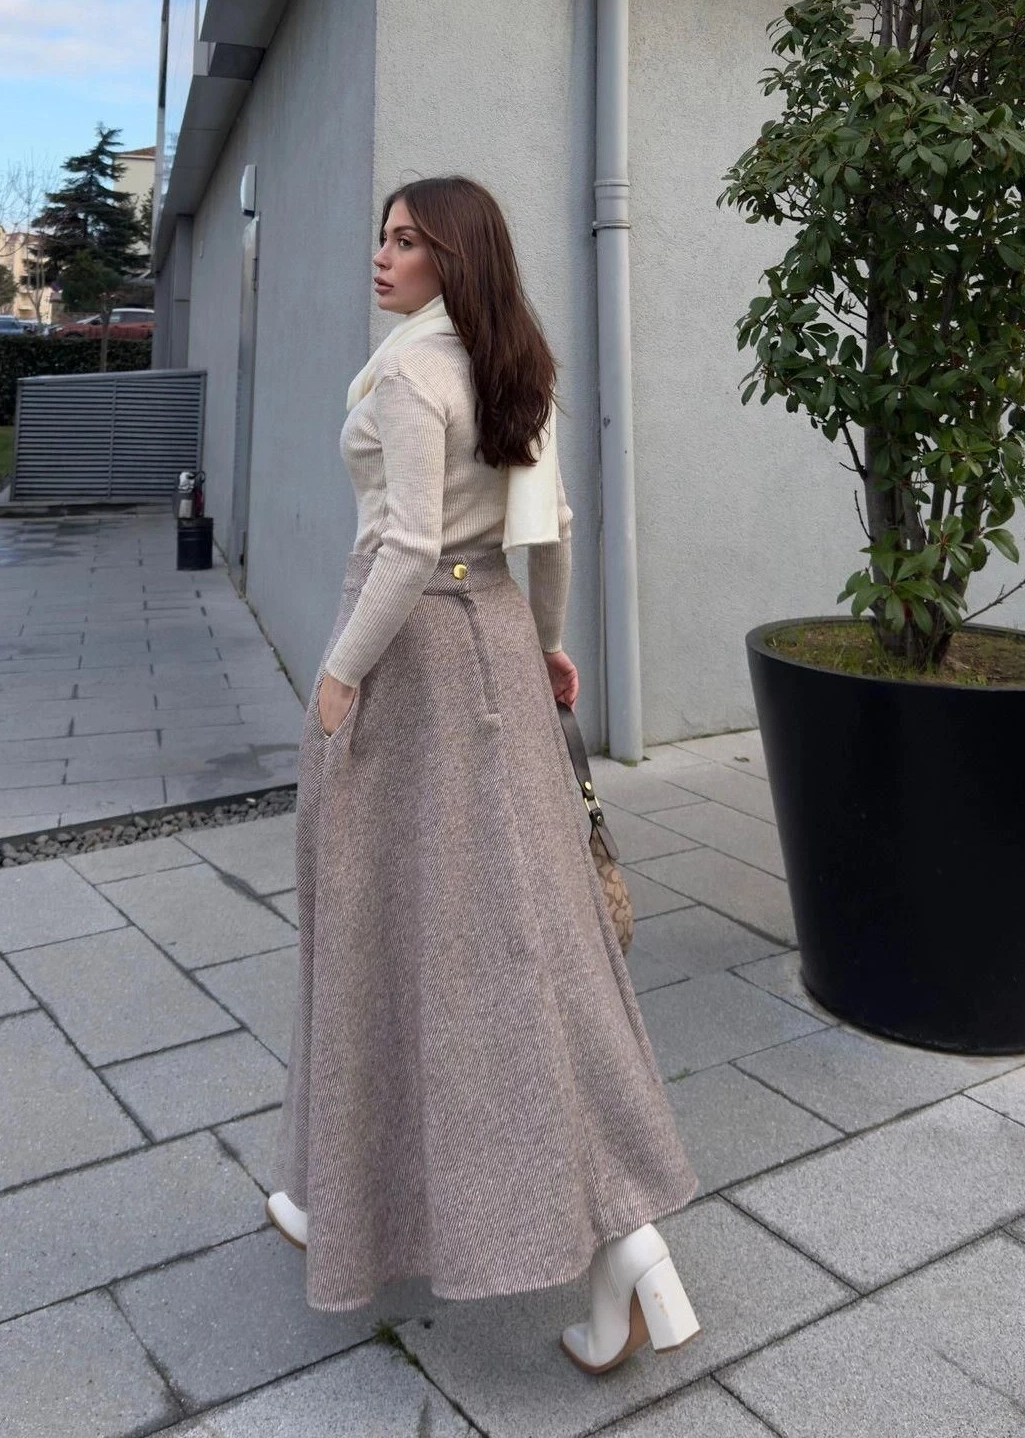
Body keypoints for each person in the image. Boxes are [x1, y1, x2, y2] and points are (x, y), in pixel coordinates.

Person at [267, 176, 702, 1374]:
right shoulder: (516, 365)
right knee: (521, 933)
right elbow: (547, 532)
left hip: (408, 660)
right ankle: (335, 1186)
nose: (384, 255)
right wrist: (548, 645)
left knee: (388, 930)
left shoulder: (413, 374)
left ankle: (373, 1194)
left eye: (409, 241)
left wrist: (341, 674)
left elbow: (408, 544)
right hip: (499, 638)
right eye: (384, 235)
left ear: (455, 259)